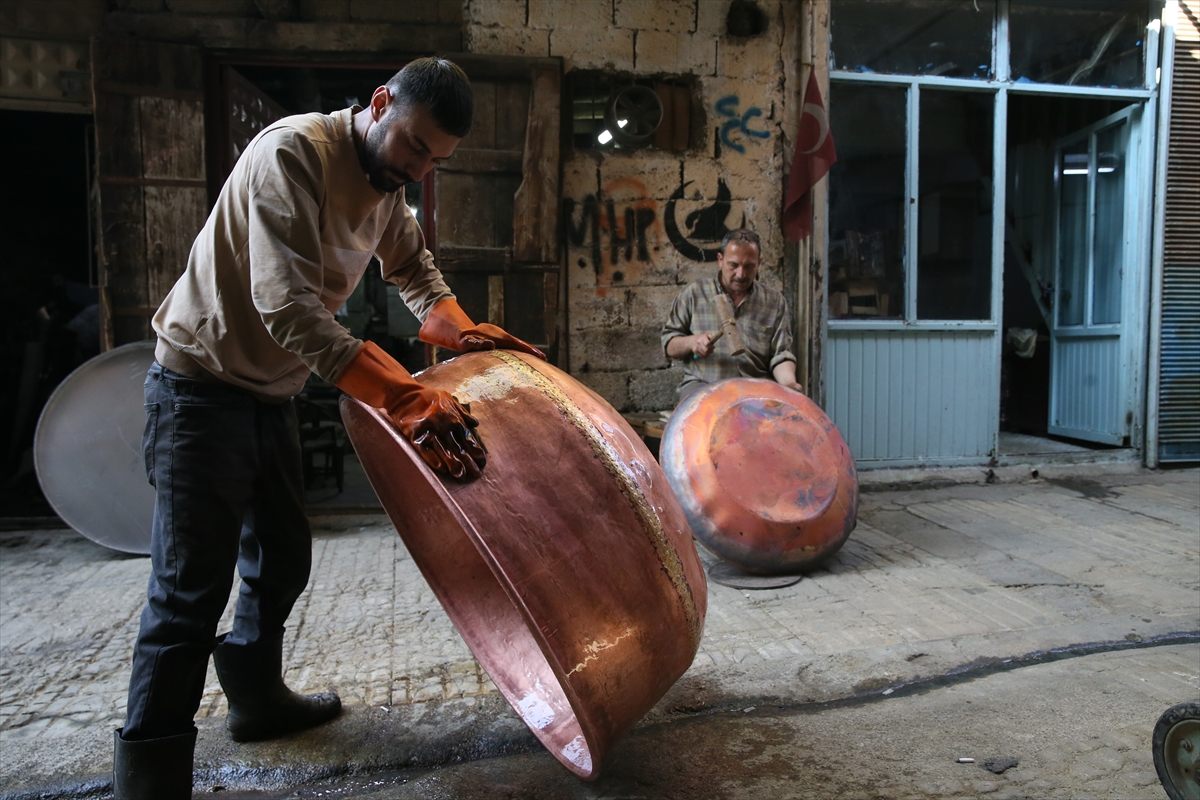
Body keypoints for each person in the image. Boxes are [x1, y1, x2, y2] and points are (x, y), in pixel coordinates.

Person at [112, 57, 542, 800]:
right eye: (412, 146)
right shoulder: (294, 153)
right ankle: (149, 774)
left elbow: (417, 276)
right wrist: (401, 397)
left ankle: (254, 700)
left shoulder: (386, 191)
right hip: (197, 392)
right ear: (380, 104)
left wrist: (464, 334)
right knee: (187, 593)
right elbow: (285, 309)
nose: (416, 169)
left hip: (265, 395)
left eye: (434, 162)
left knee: (281, 558)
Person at [662, 228, 803, 406]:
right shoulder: (694, 294)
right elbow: (669, 345)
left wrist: (788, 385)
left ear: (759, 262)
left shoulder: (774, 302)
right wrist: (692, 342)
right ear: (720, 260)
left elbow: (781, 355)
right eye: (733, 265)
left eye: (749, 266)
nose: (741, 274)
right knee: (699, 422)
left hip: (755, 388)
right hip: (704, 385)